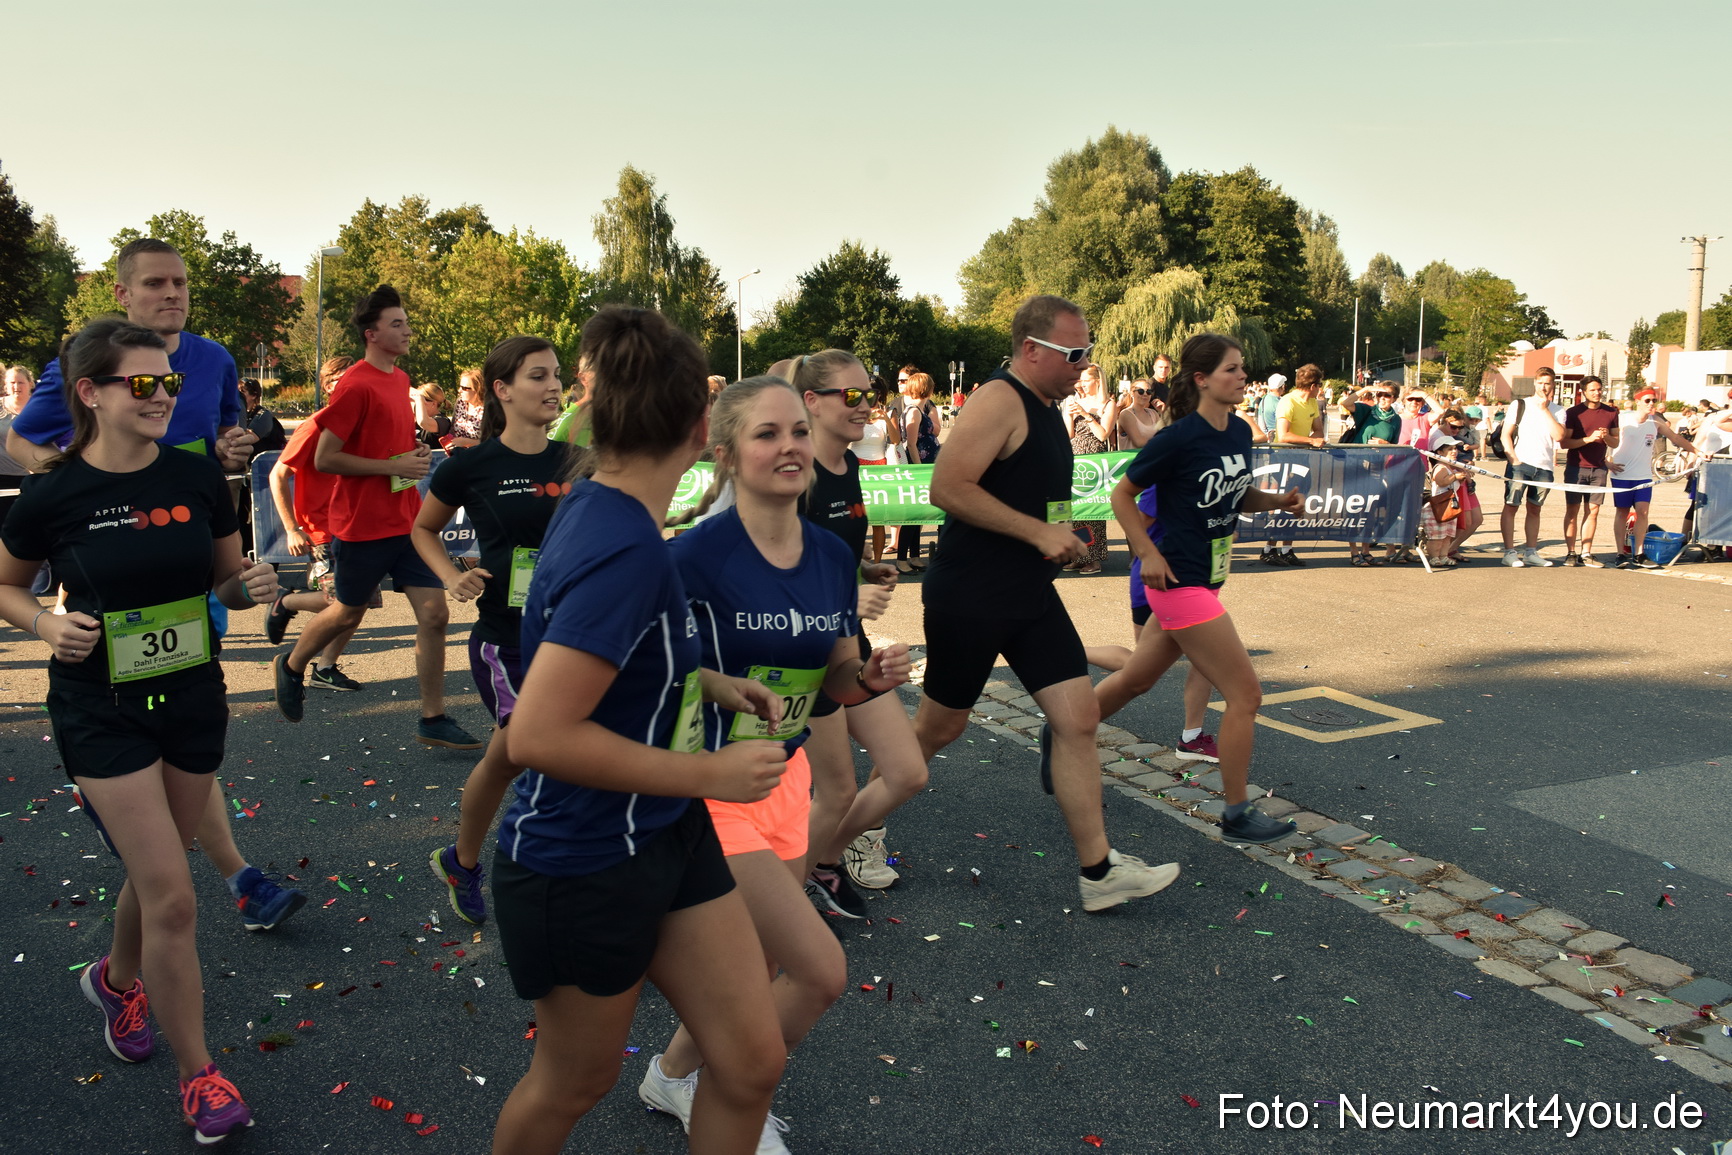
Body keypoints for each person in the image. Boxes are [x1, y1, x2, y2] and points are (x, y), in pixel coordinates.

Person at [487, 306, 788, 1155]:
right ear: (702, 427)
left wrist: (711, 682)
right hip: (580, 856)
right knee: (575, 1080)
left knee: (751, 1058)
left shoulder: (607, 506)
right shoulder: (627, 547)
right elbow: (539, 734)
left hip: (663, 834)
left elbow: (616, 659)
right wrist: (712, 776)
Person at [0, 317, 281, 1144]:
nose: (165, 396)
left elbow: (224, 582)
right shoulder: (52, 494)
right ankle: (202, 1076)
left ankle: (118, 980)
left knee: (162, 867)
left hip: (192, 695)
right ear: (91, 393)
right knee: (173, 892)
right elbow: (6, 586)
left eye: (171, 383)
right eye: (144, 383)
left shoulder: (198, 479)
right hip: (100, 709)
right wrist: (44, 628)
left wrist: (248, 585)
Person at [640, 376, 910, 1154]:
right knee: (820, 968)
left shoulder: (830, 555)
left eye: (799, 431)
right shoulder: (690, 559)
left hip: (784, 780)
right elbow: (648, 676)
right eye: (767, 434)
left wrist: (869, 680)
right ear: (725, 453)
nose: (790, 446)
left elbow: (832, 677)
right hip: (710, 788)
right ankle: (729, 1099)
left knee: (754, 966)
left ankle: (671, 1075)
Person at [5, 238, 300, 933]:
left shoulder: (215, 359)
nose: (173, 294)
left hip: (189, 561)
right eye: (157, 284)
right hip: (109, 562)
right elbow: (23, 439)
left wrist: (230, 445)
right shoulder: (84, 361)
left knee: (180, 722)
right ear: (124, 296)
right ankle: (233, 871)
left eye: (181, 283)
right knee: (155, 777)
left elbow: (226, 434)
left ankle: (168, 831)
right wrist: (76, 486)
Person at [915, 294, 1179, 912]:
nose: (1084, 364)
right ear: (1031, 350)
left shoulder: (1044, 406)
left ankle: (1099, 872)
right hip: (972, 595)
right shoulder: (998, 399)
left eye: (1087, 352)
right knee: (938, 730)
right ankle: (853, 832)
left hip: (1030, 595)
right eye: (1074, 352)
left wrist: (1052, 539)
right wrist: (1036, 532)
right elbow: (946, 487)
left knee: (1079, 718)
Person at [1100, 332, 1302, 844]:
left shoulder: (1237, 432)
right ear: (1202, 379)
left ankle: (1064, 728)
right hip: (1177, 580)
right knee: (1246, 694)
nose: (1242, 377)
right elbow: (1122, 496)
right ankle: (1236, 812)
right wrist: (1146, 552)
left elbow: (1236, 494)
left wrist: (1278, 501)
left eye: (1241, 369)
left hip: (1207, 580)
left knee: (1135, 679)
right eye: (1232, 370)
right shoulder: (1177, 438)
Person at [271, 286, 481, 750]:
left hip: (407, 523)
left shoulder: (398, 379)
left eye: (406, 322)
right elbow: (326, 459)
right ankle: (291, 664)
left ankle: (432, 717)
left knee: (435, 614)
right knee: (347, 612)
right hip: (361, 526)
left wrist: (415, 452)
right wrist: (392, 467)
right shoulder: (356, 383)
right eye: (397, 324)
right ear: (372, 334)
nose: (407, 330)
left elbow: (389, 445)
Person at [414, 337, 570, 925]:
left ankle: (462, 860)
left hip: (573, 640)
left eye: (557, 375)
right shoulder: (470, 465)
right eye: (538, 376)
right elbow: (423, 531)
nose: (554, 385)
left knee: (512, 761)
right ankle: (550, 888)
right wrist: (450, 577)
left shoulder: (575, 461)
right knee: (538, 762)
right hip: (509, 643)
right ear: (502, 390)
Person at [791, 351, 927, 908]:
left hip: (849, 644)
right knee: (837, 788)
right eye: (850, 396)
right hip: (804, 655)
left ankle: (823, 863)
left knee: (906, 771)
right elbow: (775, 575)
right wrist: (848, 592)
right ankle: (784, 901)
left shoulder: (847, 468)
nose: (865, 404)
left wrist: (863, 568)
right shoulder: (795, 472)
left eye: (867, 393)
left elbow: (827, 554)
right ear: (811, 402)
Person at [263, 358, 364, 687]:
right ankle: (286, 600)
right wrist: (292, 528)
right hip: (321, 530)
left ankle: (326, 668)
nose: (346, 383)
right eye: (337, 379)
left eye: (352, 377)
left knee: (358, 603)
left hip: (357, 527)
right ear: (327, 386)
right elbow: (278, 474)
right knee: (341, 601)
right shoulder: (316, 425)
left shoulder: (361, 424)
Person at [1609, 389, 1696, 568]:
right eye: (1647, 400)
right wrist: (1606, 462)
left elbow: (1675, 438)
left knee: (1643, 512)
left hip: (1643, 476)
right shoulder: (1623, 419)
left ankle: (1639, 554)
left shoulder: (1655, 421)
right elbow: (1605, 440)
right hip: (1622, 474)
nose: (1651, 404)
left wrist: (1698, 451)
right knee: (1622, 512)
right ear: (1638, 401)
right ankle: (1620, 553)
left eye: (1653, 401)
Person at [1499, 368, 1567, 568]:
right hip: (1521, 463)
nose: (1544, 387)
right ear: (1535, 383)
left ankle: (1531, 551)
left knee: (1535, 509)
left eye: (1548, 383)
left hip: (1544, 467)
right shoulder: (1520, 404)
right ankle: (1509, 552)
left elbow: (1559, 436)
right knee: (1511, 506)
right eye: (1540, 382)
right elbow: (1506, 434)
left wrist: (1545, 409)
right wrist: (1514, 459)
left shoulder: (1558, 410)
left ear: (1553, 385)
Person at [1265, 363, 1325, 566]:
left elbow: (1319, 431)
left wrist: (1313, 439)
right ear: (1313, 385)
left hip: (1302, 458)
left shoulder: (1313, 403)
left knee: (1297, 504)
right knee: (1284, 504)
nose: (1321, 389)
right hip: (1283, 459)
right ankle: (1269, 549)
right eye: (1320, 385)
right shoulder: (1287, 402)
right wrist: (1309, 440)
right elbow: (1284, 436)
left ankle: (1287, 549)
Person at [1558, 375, 1619, 567]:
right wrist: (1588, 439)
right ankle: (1571, 552)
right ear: (1583, 392)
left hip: (1599, 469)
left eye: (1599, 389)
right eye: (1592, 389)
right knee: (1572, 511)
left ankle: (1587, 552)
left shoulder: (1611, 412)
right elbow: (1564, 443)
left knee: (1592, 511)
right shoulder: (1574, 412)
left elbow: (1615, 442)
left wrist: (1606, 436)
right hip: (1576, 468)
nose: (1597, 392)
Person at [1062, 364, 1115, 574]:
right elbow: (1069, 435)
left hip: (1095, 458)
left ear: (1097, 380)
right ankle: (1079, 555)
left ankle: (1094, 558)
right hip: (1076, 457)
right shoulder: (1076, 401)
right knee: (1076, 510)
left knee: (1093, 510)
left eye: (1085, 379)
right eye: (1080, 379)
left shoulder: (1108, 404)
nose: (1082, 383)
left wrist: (1086, 414)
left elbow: (1103, 435)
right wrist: (1069, 414)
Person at [894, 370, 942, 573]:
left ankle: (914, 555)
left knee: (919, 515)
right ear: (927, 389)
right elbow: (911, 444)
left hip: (925, 466)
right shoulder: (914, 411)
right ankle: (902, 558)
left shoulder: (918, 410)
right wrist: (919, 468)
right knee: (912, 515)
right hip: (919, 468)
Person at [0, 363, 35, 525]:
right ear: (5, 385)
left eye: (20, 382)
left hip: (32, 478)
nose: (16, 386)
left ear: (30, 384)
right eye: (12, 383)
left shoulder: (40, 409)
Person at [1114, 377, 1166, 450]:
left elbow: (1166, 434)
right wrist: (1162, 441)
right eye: (1141, 391)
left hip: (1152, 458)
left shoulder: (1153, 413)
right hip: (1134, 459)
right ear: (1132, 393)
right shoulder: (1126, 414)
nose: (1145, 394)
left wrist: (1162, 412)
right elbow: (1139, 442)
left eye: (1148, 392)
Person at [239, 378, 287, 454]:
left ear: (254, 395)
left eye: (242, 392)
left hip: (261, 464)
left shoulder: (263, 415)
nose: (238, 396)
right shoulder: (241, 413)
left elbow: (247, 439)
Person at [446, 368, 485, 449]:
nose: (459, 390)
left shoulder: (489, 409)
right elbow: (453, 429)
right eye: (460, 386)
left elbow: (496, 441)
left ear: (477, 389)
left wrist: (469, 442)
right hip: (459, 455)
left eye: (464, 388)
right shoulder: (460, 403)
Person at [412, 382, 453, 449]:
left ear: (433, 404)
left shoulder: (442, 421)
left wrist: (419, 398)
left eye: (421, 401)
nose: (417, 404)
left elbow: (423, 422)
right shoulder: (416, 419)